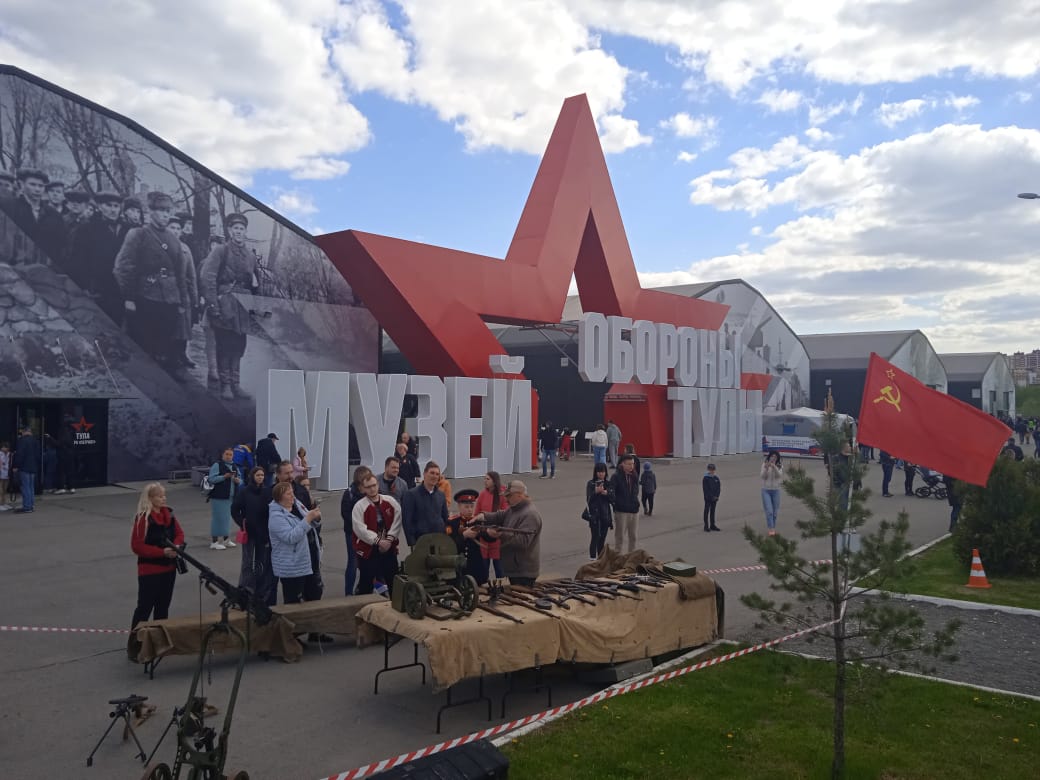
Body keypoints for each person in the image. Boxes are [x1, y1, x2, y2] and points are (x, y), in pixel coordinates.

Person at [112, 191, 191, 378]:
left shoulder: (173, 240)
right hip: (145, 296)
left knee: (165, 343)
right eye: (161, 210)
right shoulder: (138, 234)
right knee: (144, 343)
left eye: (168, 211)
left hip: (170, 299)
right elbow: (122, 267)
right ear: (151, 212)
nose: (165, 215)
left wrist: (182, 301)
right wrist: (129, 297)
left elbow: (180, 274)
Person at [200, 212, 258, 400]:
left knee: (239, 346)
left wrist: (255, 308)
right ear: (229, 231)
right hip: (224, 303)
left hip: (243, 307)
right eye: (235, 228)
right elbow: (207, 278)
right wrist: (213, 305)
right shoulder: (221, 251)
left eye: (242, 229)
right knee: (225, 345)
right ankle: (225, 385)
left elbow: (256, 284)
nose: (239, 232)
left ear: (246, 231)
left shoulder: (250, 256)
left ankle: (236, 385)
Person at [128, 483, 185, 661]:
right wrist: (161, 552)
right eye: (160, 496)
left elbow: (179, 534)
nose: (163, 498)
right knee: (144, 608)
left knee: (163, 607)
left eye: (164, 495)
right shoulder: (143, 519)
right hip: (150, 570)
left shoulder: (170, 515)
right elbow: (137, 546)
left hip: (169, 568)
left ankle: (159, 643)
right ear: (150, 498)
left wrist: (176, 546)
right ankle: (135, 646)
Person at [468, 480, 542, 586]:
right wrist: (483, 516)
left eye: (509, 496)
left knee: (521, 595)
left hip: (523, 572)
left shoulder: (530, 514)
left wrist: (500, 534)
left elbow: (523, 542)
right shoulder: (515, 508)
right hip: (516, 569)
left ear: (519, 495)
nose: (506, 499)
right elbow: (501, 515)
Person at [66, 190, 125, 322]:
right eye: (109, 205)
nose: (113, 210)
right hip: (97, 289)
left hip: (119, 289)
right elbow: (78, 260)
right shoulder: (87, 229)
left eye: (116, 206)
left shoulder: (127, 229)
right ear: (99, 206)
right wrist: (84, 286)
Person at [268, 481, 322, 606]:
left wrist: (316, 518)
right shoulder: (276, 517)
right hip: (291, 567)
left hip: (307, 560)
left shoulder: (297, 504)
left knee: (314, 594)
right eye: (288, 494)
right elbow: (290, 537)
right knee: (293, 601)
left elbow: (310, 522)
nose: (293, 496)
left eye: (292, 492)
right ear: (280, 498)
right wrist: (308, 519)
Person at [231, 466, 277, 605]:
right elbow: (234, 509)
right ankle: (245, 589)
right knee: (247, 562)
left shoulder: (267, 492)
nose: (260, 477)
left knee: (261, 562)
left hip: (263, 533)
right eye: (258, 475)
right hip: (249, 532)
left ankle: (258, 591)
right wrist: (242, 523)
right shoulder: (244, 492)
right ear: (252, 476)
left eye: (262, 475)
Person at [351, 473, 403, 595]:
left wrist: (389, 540)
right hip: (369, 551)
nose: (372, 489)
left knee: (394, 582)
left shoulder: (390, 501)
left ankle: (395, 604)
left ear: (378, 485)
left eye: (374, 485)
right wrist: (378, 541)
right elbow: (360, 529)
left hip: (389, 548)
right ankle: (365, 605)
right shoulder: (359, 506)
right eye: (368, 487)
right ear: (363, 489)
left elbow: (397, 520)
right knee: (366, 584)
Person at [446, 488, 490, 584]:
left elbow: (487, 538)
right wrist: (464, 536)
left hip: (476, 565)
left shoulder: (477, 521)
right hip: (459, 565)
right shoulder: (452, 522)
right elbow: (449, 545)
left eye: (471, 506)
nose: (470, 510)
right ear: (459, 506)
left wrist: (491, 533)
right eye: (466, 507)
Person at [401, 461, 450, 546]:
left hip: (439, 540)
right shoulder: (411, 494)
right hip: (421, 541)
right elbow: (407, 521)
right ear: (424, 474)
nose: (434, 476)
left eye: (437, 474)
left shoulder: (441, 495)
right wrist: (412, 542)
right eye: (432, 473)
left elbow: (445, 517)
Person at [340, 466, 372, 596]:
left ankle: (365, 589)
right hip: (353, 534)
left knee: (369, 562)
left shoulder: (371, 492)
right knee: (353, 562)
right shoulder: (349, 494)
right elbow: (345, 514)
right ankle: (348, 593)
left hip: (369, 533)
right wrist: (360, 525)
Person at [475, 471, 506, 578]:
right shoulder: (482, 494)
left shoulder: (502, 495)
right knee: (484, 570)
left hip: (497, 536)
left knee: (500, 570)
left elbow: (505, 515)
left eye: (487, 479)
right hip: (484, 536)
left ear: (494, 481)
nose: (485, 481)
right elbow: (477, 513)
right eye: (484, 478)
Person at [207, 447, 240, 549]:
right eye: (227, 454)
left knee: (227, 519)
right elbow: (211, 479)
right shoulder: (217, 465)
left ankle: (226, 540)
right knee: (218, 519)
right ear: (222, 455)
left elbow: (240, 478)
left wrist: (238, 481)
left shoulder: (234, 466)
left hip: (230, 497)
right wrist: (224, 477)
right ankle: (214, 542)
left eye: (230, 454)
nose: (228, 456)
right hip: (218, 497)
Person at [609, 454, 641, 553]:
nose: (631, 466)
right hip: (621, 511)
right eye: (629, 464)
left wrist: (636, 503)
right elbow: (611, 491)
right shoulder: (616, 476)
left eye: (633, 464)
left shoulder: (634, 475)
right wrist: (616, 502)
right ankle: (618, 557)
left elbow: (636, 491)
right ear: (622, 464)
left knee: (633, 537)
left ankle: (631, 557)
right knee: (620, 537)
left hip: (634, 510)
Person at [585, 463, 613, 560]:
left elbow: (613, 499)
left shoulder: (608, 483)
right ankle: (592, 559)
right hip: (594, 516)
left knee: (602, 539)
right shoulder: (591, 484)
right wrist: (595, 492)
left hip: (605, 515)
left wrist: (607, 493)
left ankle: (600, 560)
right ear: (595, 472)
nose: (601, 474)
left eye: (603, 472)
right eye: (599, 472)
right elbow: (588, 500)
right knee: (595, 538)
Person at [12, 427, 39, 513]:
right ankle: (31, 505)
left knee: (25, 487)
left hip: (24, 467)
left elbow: (20, 454)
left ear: (24, 432)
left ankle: (27, 507)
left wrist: (15, 465)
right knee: (31, 487)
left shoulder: (22, 441)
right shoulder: (35, 441)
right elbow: (38, 455)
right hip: (33, 467)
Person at [761, 450, 783, 536]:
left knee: (775, 512)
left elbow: (779, 476)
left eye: (775, 457)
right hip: (766, 490)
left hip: (776, 490)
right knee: (769, 511)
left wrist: (774, 467)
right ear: (769, 457)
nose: (773, 458)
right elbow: (763, 477)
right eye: (772, 456)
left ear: (777, 458)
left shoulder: (779, 466)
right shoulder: (764, 464)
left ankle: (772, 526)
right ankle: (771, 529)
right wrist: (766, 469)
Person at [702, 463, 721, 532]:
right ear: (708, 469)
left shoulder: (716, 478)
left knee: (713, 511)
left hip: (715, 498)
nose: (712, 471)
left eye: (713, 469)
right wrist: (711, 496)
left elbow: (718, 488)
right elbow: (706, 489)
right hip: (708, 498)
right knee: (706, 511)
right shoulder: (706, 478)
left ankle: (712, 525)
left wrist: (717, 496)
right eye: (710, 469)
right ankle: (706, 526)